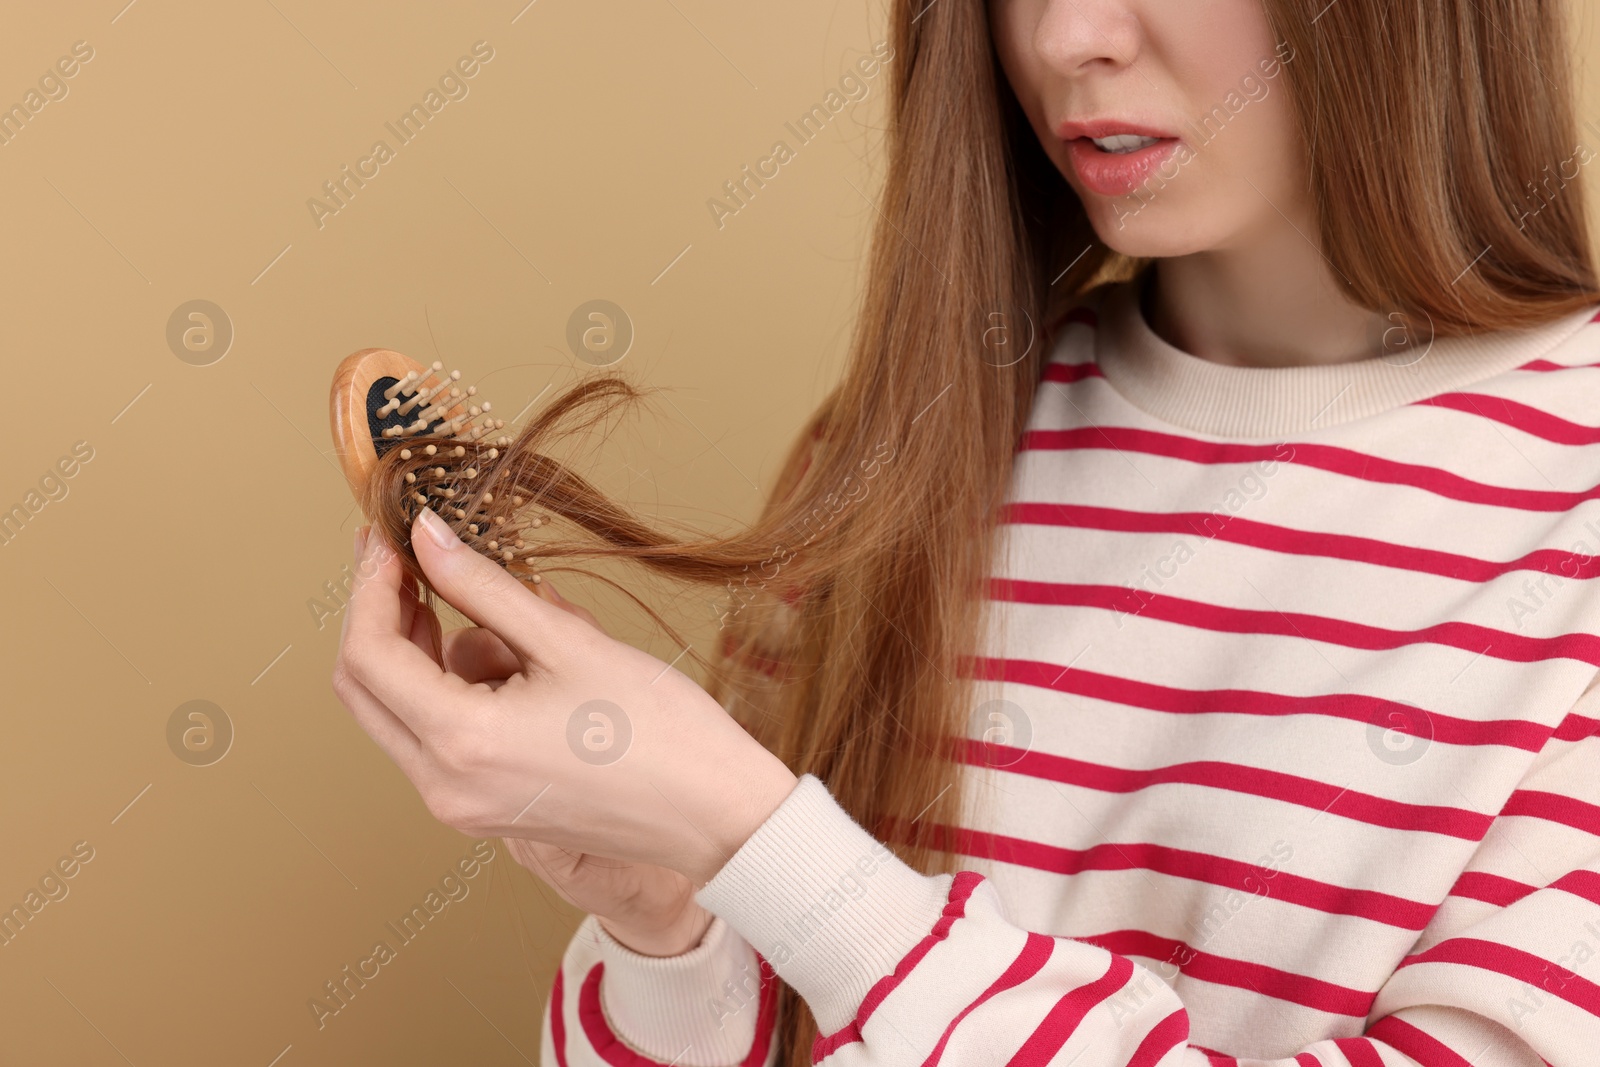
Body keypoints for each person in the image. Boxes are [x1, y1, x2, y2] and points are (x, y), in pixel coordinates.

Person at [332, 0, 1600, 1063]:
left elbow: (816, 894)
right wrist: (663, 909)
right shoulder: (909, 444)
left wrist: (755, 837)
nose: (1066, 35)